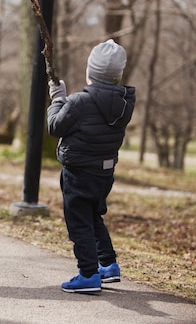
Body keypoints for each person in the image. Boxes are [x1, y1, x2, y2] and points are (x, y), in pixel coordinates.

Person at [46, 39, 136, 293]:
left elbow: (55, 127)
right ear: (117, 76)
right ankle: (108, 265)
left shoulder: (78, 102)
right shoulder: (123, 105)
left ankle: (88, 274)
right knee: (93, 216)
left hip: (78, 173)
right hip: (104, 173)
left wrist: (57, 97)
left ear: (90, 73)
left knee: (79, 222)